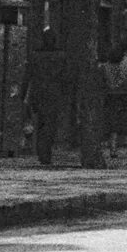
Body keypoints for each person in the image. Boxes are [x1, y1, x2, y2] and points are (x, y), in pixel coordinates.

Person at [27, 29, 76, 166]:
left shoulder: (35, 56)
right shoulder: (61, 56)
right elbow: (67, 77)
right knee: (50, 123)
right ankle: (45, 152)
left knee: (41, 122)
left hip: (38, 92)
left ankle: (41, 151)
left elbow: (28, 75)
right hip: (54, 93)